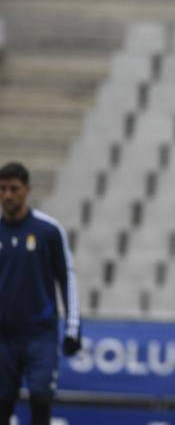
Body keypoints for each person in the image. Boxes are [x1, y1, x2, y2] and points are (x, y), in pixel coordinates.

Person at [0, 162, 81, 425]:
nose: (7, 195)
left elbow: (67, 276)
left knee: (41, 398)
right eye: (2, 189)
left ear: (27, 190)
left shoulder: (48, 230)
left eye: (14, 188)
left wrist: (73, 327)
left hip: (40, 334)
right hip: (3, 336)